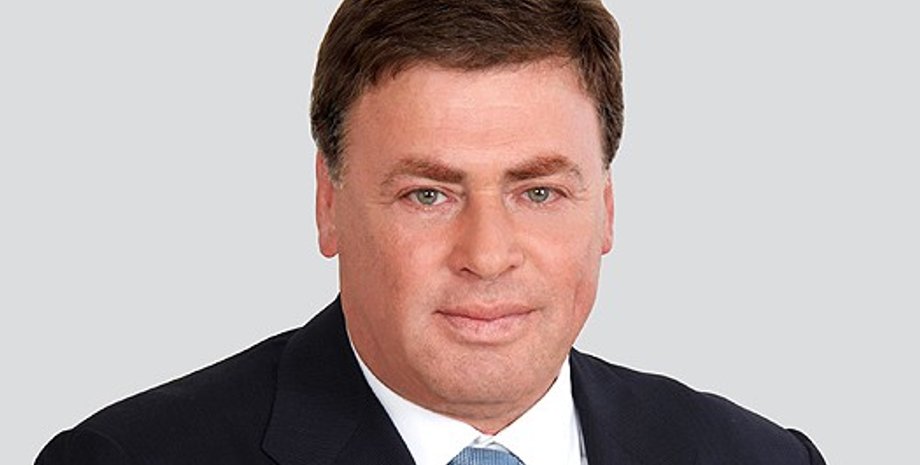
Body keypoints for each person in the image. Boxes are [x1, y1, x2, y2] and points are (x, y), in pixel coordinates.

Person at [36, 1, 825, 464]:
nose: (487, 255)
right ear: (329, 203)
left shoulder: (757, 458)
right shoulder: (131, 457)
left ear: (607, 208)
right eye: (428, 194)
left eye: (539, 191)